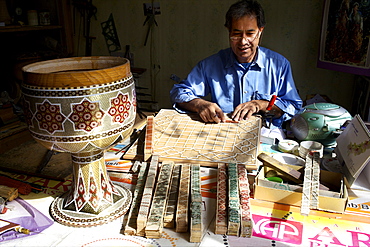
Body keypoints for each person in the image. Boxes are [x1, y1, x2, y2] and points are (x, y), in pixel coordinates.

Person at [170, 0, 302, 128]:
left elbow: (294, 107)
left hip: (265, 136)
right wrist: (199, 105)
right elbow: (179, 92)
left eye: (250, 34)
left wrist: (261, 104)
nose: (243, 42)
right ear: (229, 32)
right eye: (236, 34)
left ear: (260, 31)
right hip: (222, 134)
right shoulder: (211, 65)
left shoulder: (279, 65)